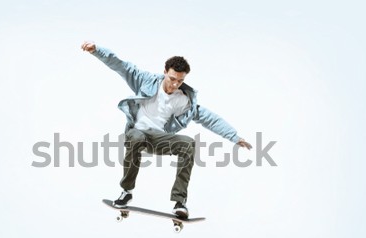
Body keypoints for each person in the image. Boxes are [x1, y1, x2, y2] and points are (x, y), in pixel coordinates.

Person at [81, 41, 252, 219]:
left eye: (180, 81)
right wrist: (96, 51)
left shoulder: (183, 100)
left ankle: (180, 202)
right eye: (172, 79)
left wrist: (234, 136)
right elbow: (120, 65)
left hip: (158, 138)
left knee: (188, 144)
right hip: (136, 133)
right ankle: (126, 191)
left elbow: (208, 117)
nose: (175, 85)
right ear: (165, 72)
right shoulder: (145, 80)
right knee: (137, 137)